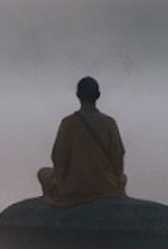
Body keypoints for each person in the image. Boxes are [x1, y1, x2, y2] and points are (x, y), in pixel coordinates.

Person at [37, 75, 128, 207]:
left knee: (42, 173)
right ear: (98, 95)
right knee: (124, 178)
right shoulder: (109, 123)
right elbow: (118, 158)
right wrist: (116, 182)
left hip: (72, 189)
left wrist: (61, 181)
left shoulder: (68, 123)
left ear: (78, 95)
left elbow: (58, 157)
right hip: (106, 187)